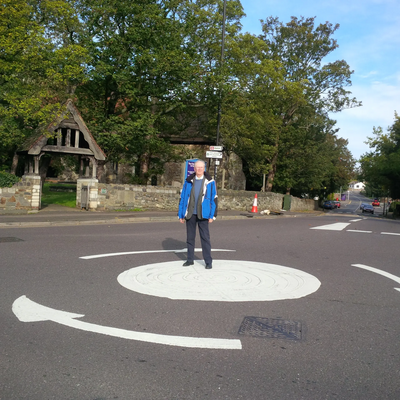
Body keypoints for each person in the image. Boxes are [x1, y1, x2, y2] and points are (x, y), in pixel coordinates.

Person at [178, 159, 218, 269]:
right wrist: (181, 214)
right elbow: (183, 198)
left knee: (205, 238)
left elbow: (214, 199)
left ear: (204, 168)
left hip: (204, 214)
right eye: (197, 167)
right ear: (194, 169)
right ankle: (190, 259)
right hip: (190, 213)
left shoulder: (210, 182)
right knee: (190, 238)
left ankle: (208, 261)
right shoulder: (188, 181)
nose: (199, 169)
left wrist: (212, 215)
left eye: (201, 167)